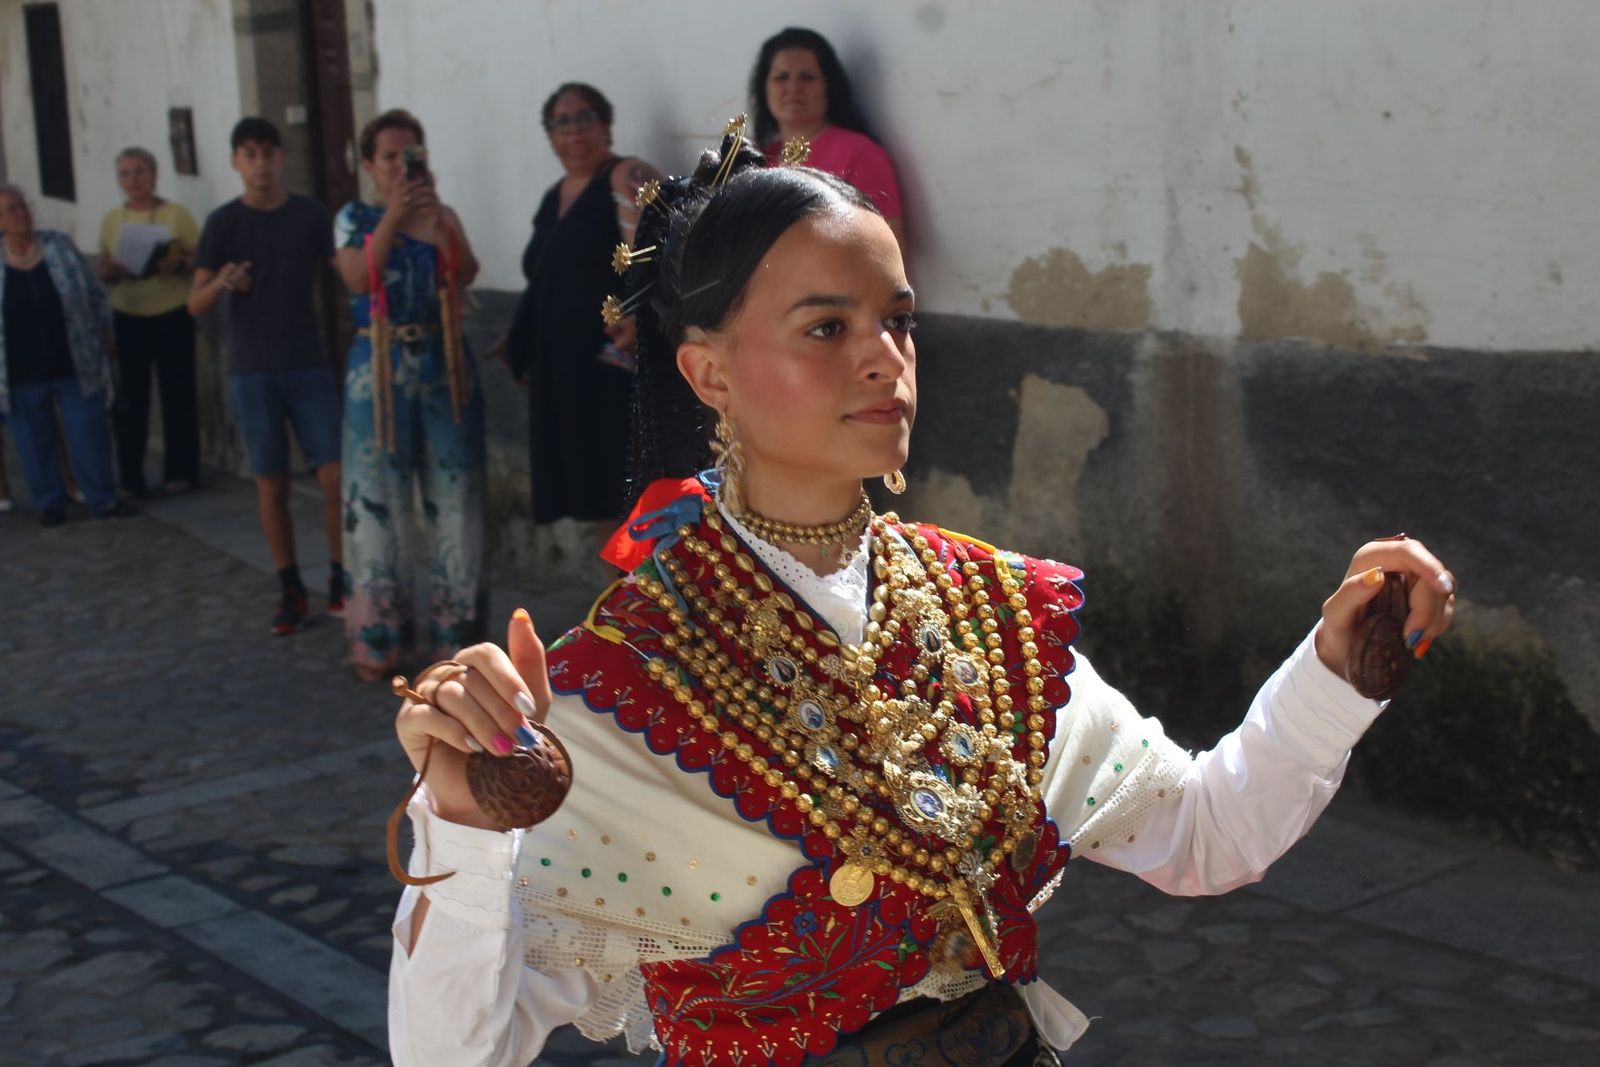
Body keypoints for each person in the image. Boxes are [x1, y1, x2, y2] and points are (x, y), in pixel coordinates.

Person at [383, 136, 1457, 1066]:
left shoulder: (990, 613)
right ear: (706, 372)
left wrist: (1331, 674)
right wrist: (467, 819)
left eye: (897, 320)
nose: (883, 360)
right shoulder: (625, 685)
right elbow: (452, 1049)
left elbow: (1205, 833)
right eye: (825, 327)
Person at [332, 109, 486, 683]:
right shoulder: (355, 216)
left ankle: (456, 639)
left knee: (457, 498)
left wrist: (437, 223)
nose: (401, 165)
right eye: (390, 156)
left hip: (442, 363)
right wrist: (395, 217)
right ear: (369, 165)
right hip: (378, 365)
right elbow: (357, 276)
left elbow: (465, 271)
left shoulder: (440, 214)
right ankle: (378, 636)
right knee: (374, 499)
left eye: (410, 154)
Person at [189, 117, 344, 636]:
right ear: (236, 161)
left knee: (334, 475)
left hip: (308, 361)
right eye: (248, 154)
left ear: (282, 158)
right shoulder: (223, 223)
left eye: (267, 153)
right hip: (251, 368)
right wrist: (224, 283)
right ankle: (290, 585)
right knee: (271, 481)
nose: (259, 163)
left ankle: (342, 577)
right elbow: (195, 302)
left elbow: (346, 273)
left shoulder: (311, 215)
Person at [505, 83, 662, 530]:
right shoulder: (553, 196)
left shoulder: (625, 175)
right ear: (550, 136)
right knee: (595, 500)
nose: (574, 129)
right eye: (562, 121)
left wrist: (639, 314)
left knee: (630, 496)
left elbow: (658, 252)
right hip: (566, 374)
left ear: (607, 124)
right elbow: (546, 278)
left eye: (585, 116)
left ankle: (649, 596)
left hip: (614, 365)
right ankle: (616, 598)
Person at [0, 183, 134, 525]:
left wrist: (104, 331)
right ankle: (50, 502)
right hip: (21, 370)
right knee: (33, 441)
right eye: (11, 210)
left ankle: (102, 498)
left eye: (23, 206)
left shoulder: (58, 245)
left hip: (75, 358)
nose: (21, 214)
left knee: (89, 433)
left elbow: (91, 293)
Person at [97, 146, 202, 497]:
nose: (133, 180)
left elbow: (199, 255)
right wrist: (109, 271)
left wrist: (181, 263)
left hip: (172, 310)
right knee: (132, 398)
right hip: (129, 313)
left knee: (178, 393)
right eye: (125, 174)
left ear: (154, 176)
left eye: (140, 172)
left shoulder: (176, 214)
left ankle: (181, 470)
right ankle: (131, 476)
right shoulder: (112, 219)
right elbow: (103, 265)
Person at [751, 26, 906, 247]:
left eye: (808, 77)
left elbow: (889, 250)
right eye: (781, 77)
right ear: (764, 88)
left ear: (829, 86)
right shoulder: (758, 160)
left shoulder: (859, 153)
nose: (794, 87)